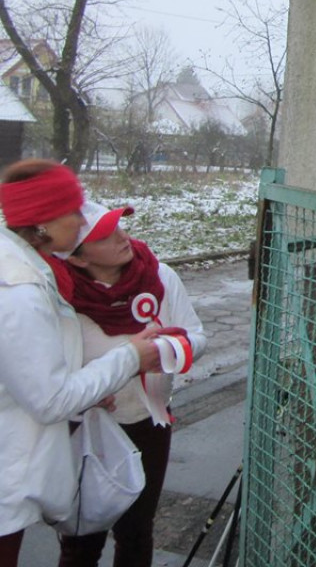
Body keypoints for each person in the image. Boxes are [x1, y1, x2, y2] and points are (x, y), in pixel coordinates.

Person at [0, 160, 162, 567]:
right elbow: (50, 399)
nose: (80, 219)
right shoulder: (20, 291)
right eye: (73, 210)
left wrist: (83, 396)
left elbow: (30, 376)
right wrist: (130, 357)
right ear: (43, 222)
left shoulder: (26, 270)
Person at [55, 201, 208, 567]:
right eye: (106, 236)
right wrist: (84, 396)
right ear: (77, 258)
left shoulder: (160, 276)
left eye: (120, 226)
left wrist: (168, 349)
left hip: (147, 423)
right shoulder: (60, 296)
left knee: (137, 531)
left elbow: (197, 335)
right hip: (83, 431)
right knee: (81, 538)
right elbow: (49, 372)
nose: (123, 237)